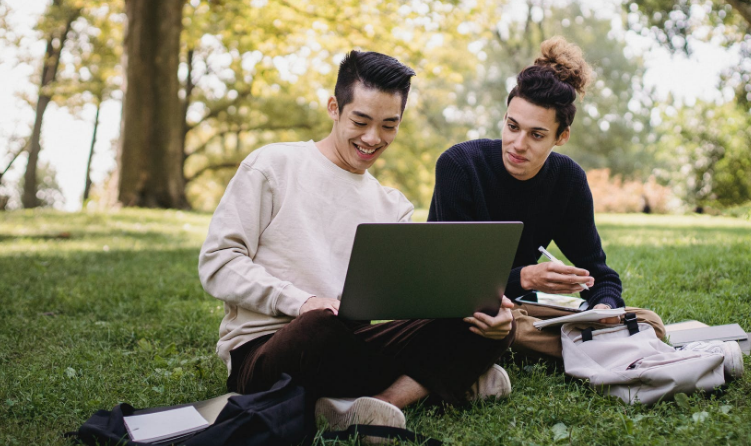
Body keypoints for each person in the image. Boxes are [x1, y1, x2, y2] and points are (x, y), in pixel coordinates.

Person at [199, 50, 515, 432]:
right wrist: (303, 302)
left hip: (354, 344)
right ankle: (445, 381)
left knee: (491, 320)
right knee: (319, 328)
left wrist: (476, 305)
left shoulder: (393, 205)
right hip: (275, 349)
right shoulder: (272, 166)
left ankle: (376, 406)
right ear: (334, 107)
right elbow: (218, 263)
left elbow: (404, 302)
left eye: (388, 126)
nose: (372, 138)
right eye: (361, 121)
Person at [428, 37, 665, 359]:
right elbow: (451, 283)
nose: (517, 144)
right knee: (505, 324)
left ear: (561, 136)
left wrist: (605, 308)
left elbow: (600, 275)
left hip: (520, 312)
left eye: (536, 135)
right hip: (464, 310)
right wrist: (526, 277)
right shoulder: (460, 165)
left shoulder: (567, 180)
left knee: (649, 321)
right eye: (512, 126)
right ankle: (607, 346)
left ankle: (598, 340)